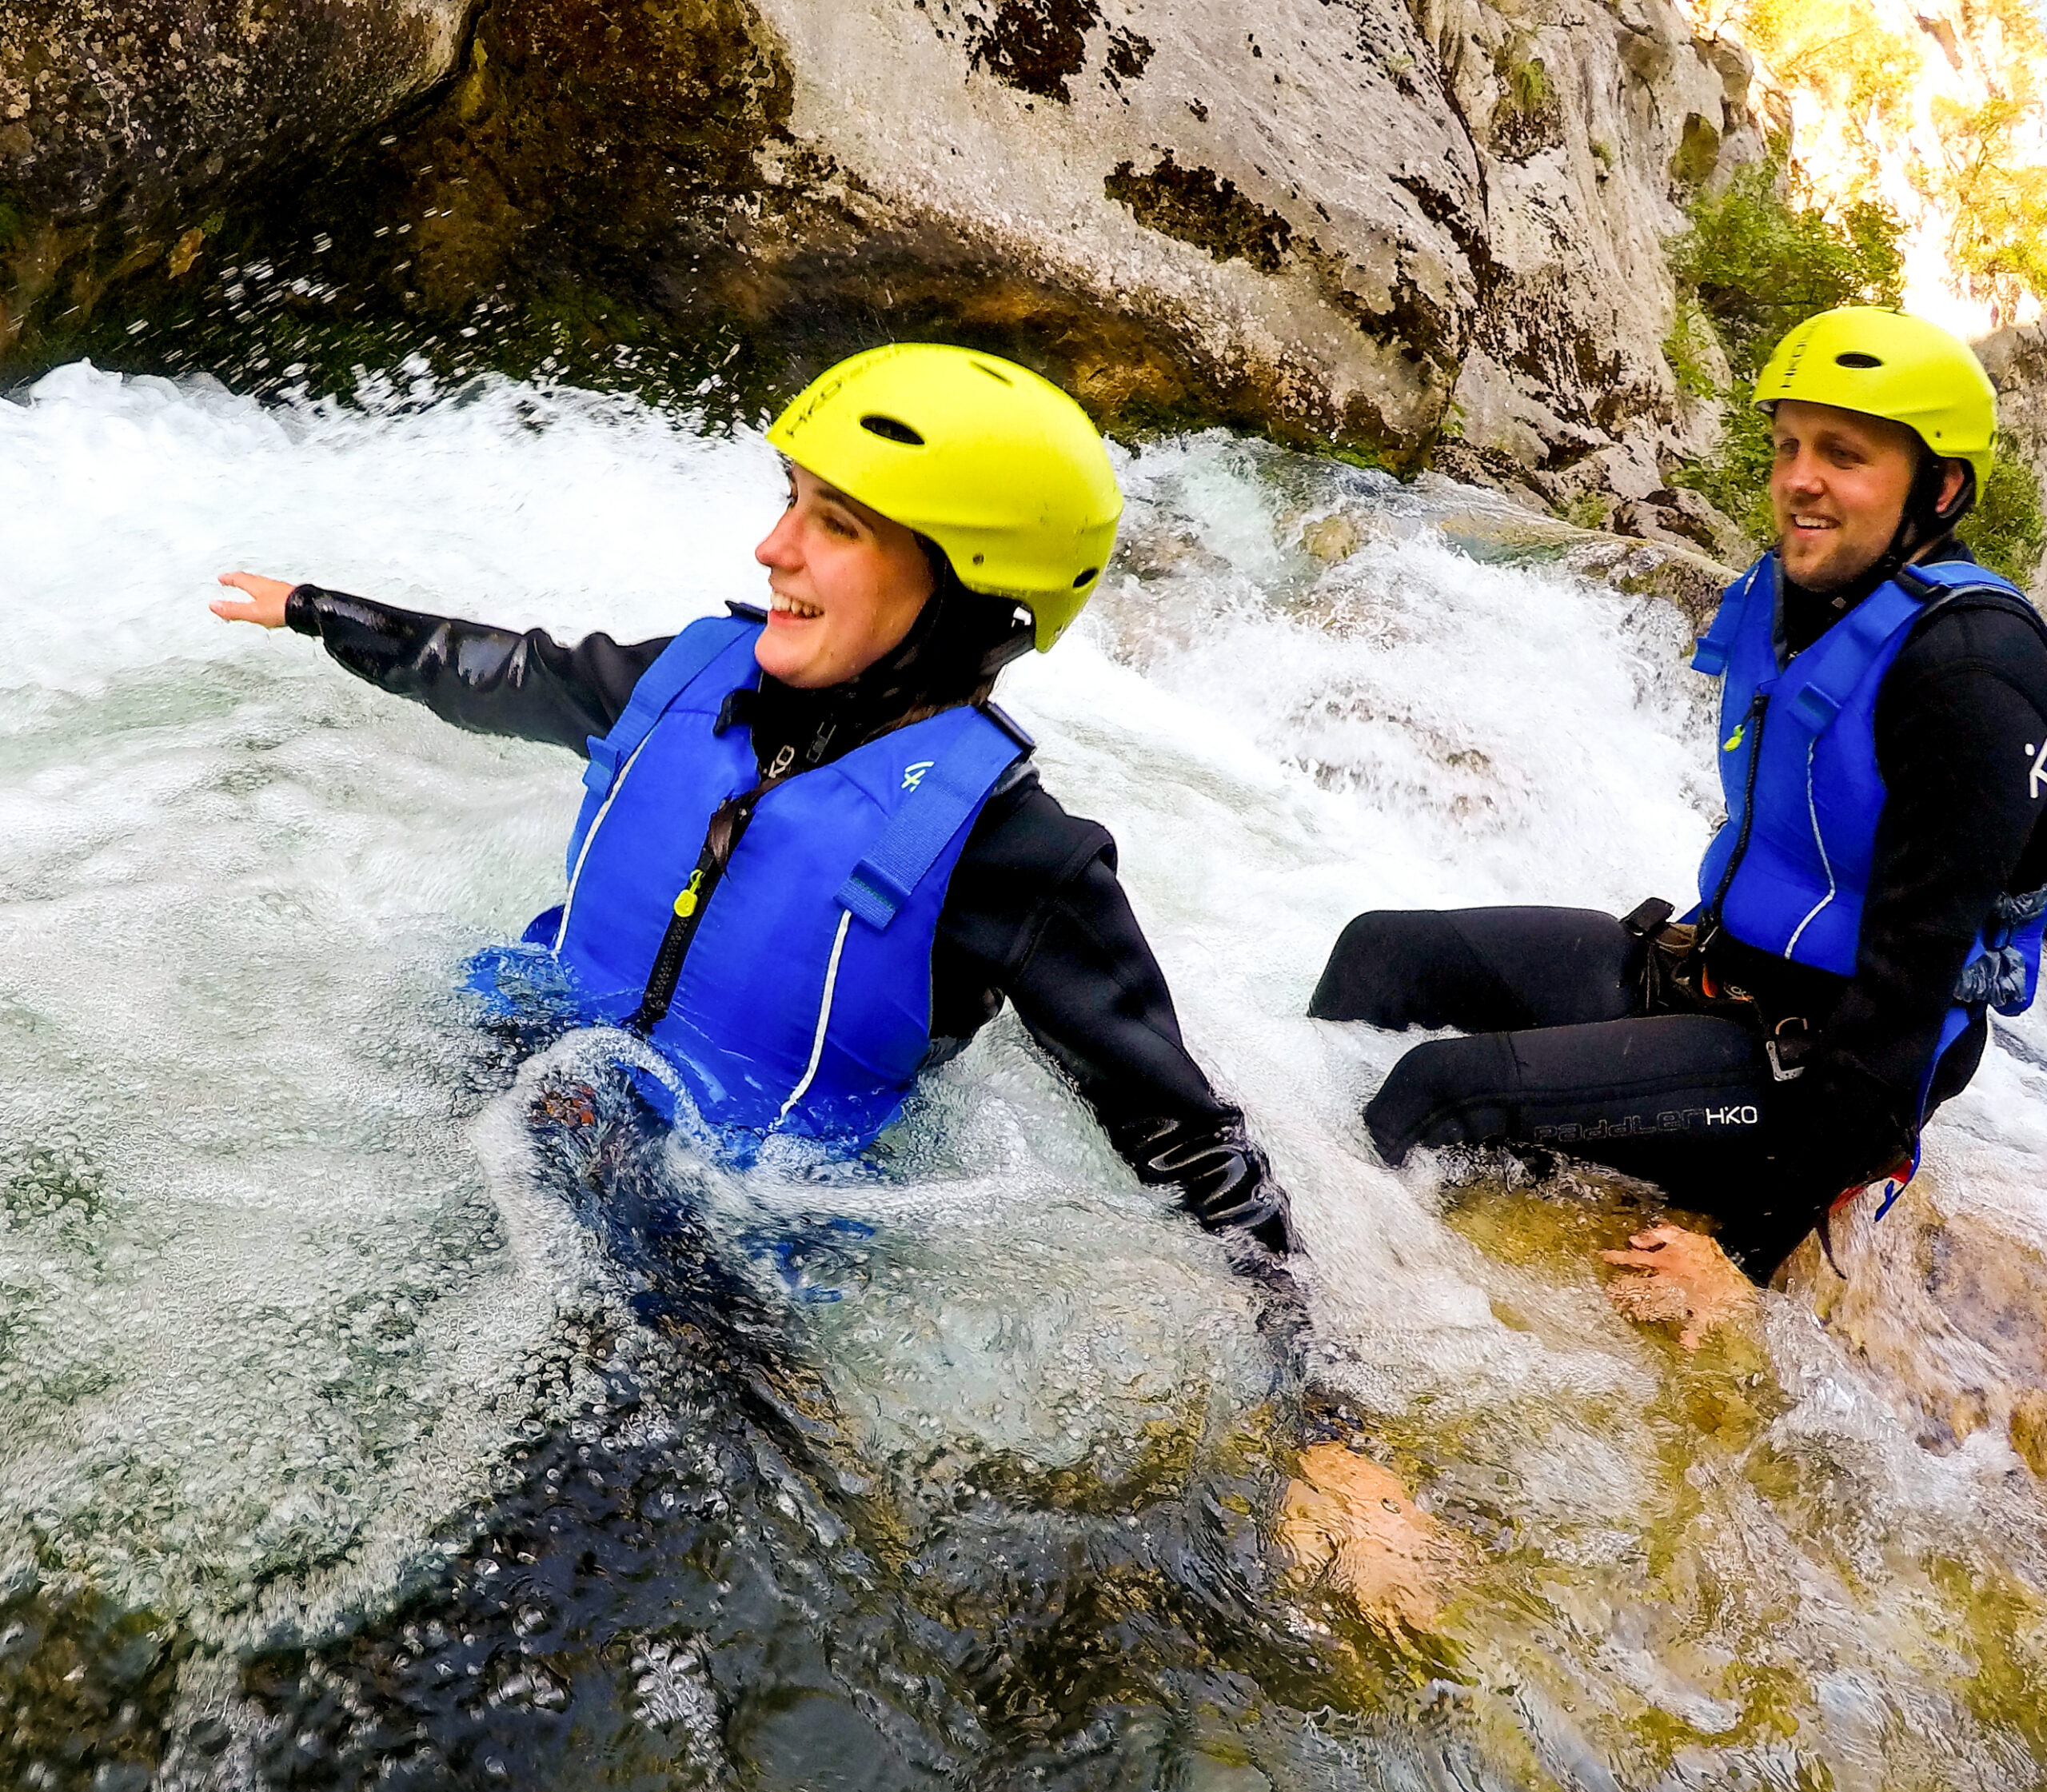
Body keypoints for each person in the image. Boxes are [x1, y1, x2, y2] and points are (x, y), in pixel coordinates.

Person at [214, 343, 1292, 1260]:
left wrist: (1322, 1413)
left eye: (840, 524)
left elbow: (1188, 1143)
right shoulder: (685, 680)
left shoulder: (1014, 854)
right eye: (790, 500)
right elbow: (507, 673)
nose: (774, 548)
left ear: (965, 588)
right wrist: (320, 611)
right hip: (505, 1087)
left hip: (715, 1236)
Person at [1309, 305, 2047, 1290]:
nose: (1797, 480)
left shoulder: (1973, 674)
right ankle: (1260, 1168)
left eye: (1843, 454)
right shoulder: (1802, 599)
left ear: (1940, 487)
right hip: (1706, 972)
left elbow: (1905, 1007)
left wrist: (1738, 1254)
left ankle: (1311, 1314)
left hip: (1817, 1065)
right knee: (1380, 950)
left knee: (1437, 1088)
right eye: (1787, 445)